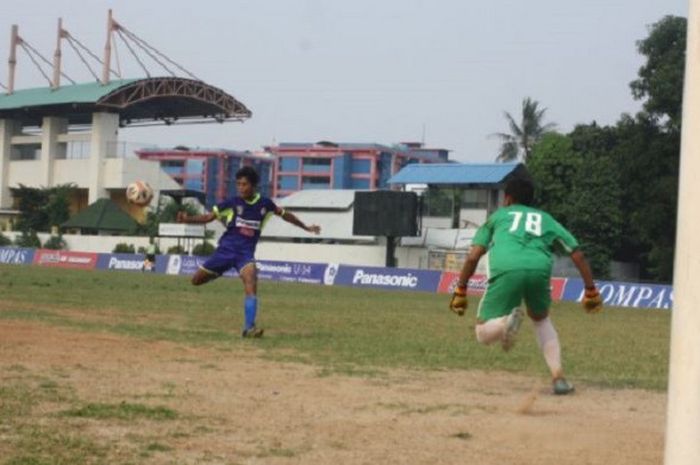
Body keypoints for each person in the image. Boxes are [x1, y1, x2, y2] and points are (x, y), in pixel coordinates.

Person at [449, 177, 602, 395]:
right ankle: (558, 378)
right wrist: (590, 290)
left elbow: (474, 256)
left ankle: (505, 323)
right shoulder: (546, 219)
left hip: (507, 268)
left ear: (507, 199)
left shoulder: (498, 217)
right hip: (539, 268)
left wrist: (461, 289)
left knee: (482, 333)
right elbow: (577, 254)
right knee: (540, 319)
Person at [177, 166, 321, 337]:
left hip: (245, 256)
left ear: (253, 186)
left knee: (251, 286)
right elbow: (208, 217)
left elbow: (285, 215)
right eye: (238, 184)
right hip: (224, 252)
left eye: (244, 184)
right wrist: (187, 219)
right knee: (196, 281)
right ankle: (219, 271)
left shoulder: (265, 204)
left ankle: (249, 328)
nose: (240, 188)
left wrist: (306, 227)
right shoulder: (232, 203)